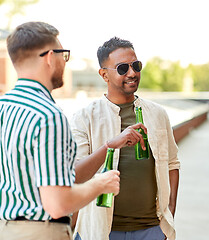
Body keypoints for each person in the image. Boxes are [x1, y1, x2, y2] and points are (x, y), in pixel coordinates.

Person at [0, 22, 122, 240]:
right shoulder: (49, 116)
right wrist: (101, 183)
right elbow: (58, 204)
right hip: (41, 233)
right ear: (49, 57)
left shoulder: (4, 107)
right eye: (63, 55)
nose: (65, 62)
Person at [71, 37, 180, 240]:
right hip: (100, 232)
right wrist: (111, 146)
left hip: (152, 230)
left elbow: (173, 164)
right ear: (104, 74)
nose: (132, 73)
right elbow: (76, 174)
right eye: (122, 68)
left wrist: (170, 213)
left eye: (136, 66)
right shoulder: (84, 118)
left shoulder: (158, 114)